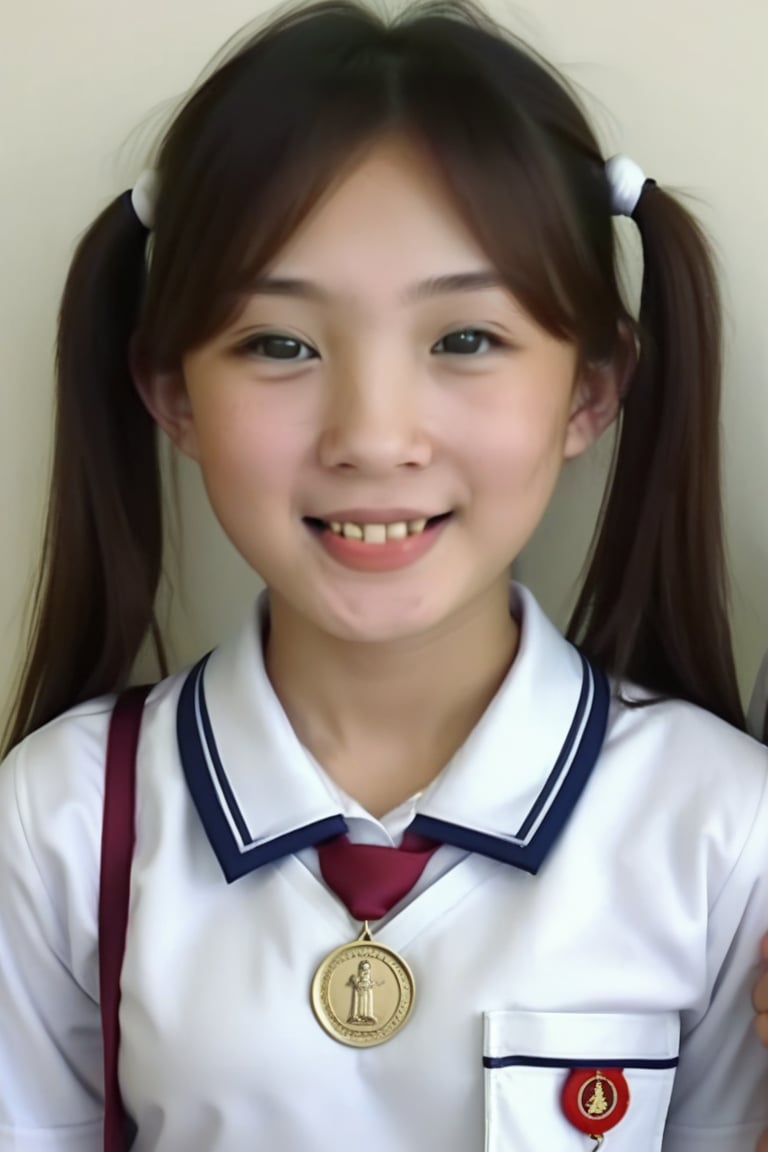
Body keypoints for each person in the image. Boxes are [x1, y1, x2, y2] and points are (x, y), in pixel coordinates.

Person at [0, 2, 766, 1149]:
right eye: (280, 344)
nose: (372, 434)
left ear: (594, 390)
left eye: (465, 339)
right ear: (172, 395)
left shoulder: (724, 829)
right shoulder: (62, 819)